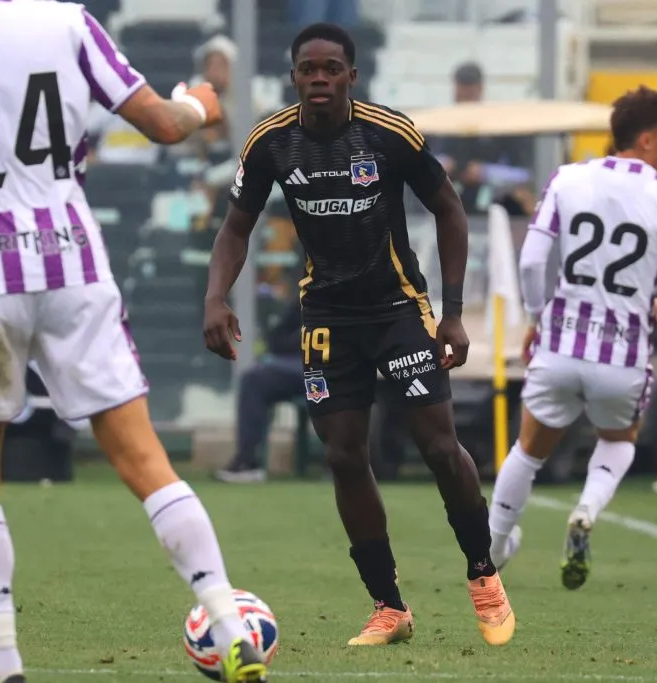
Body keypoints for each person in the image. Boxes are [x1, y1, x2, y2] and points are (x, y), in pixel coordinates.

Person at [0, 2, 267, 682]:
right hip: (71, 262)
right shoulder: (68, 23)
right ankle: (227, 620)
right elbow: (162, 124)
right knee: (142, 456)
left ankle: (5, 663)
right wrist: (197, 104)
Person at [203, 23, 514, 647]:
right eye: (309, 69)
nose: (320, 78)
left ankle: (483, 572)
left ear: (351, 75)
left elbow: (450, 211)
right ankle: (389, 606)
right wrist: (215, 297)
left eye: (332, 68)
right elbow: (236, 228)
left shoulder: (389, 133)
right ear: (294, 77)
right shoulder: (270, 143)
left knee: (438, 446)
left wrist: (451, 313)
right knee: (344, 456)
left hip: (398, 308)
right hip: (325, 317)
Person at [488, 86, 657, 589]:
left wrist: (537, 317)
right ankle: (585, 509)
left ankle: (491, 549)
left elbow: (533, 261)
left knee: (529, 449)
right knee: (620, 440)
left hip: (561, 343)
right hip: (622, 354)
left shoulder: (568, 178)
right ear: (646, 139)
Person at [215, 297, 304, 483]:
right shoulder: (309, 295)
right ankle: (248, 461)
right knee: (254, 380)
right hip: (300, 368)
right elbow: (277, 339)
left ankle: (350, 463)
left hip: (336, 370)